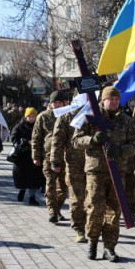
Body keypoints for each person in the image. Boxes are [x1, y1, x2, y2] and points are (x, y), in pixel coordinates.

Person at [72, 86, 135, 262]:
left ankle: (109, 247)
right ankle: (92, 243)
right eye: (111, 99)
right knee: (95, 208)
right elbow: (76, 141)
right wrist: (92, 140)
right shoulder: (89, 117)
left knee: (114, 211)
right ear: (103, 100)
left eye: (116, 99)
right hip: (96, 170)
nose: (114, 102)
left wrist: (120, 150)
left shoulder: (126, 121)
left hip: (118, 171)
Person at [51, 100, 88, 243]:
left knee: (93, 198)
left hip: (95, 163)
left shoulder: (97, 114)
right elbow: (57, 140)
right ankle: (79, 228)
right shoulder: (66, 117)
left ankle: (92, 226)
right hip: (74, 164)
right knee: (77, 197)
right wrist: (55, 161)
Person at [32, 91, 68, 224]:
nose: (57, 105)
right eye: (54, 102)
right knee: (50, 184)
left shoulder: (68, 115)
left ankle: (57, 209)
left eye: (59, 102)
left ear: (64, 103)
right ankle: (52, 211)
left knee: (63, 187)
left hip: (65, 156)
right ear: (50, 103)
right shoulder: (43, 116)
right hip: (48, 155)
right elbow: (36, 137)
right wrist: (36, 156)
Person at [10, 108, 44, 205]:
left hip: (35, 155)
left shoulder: (39, 126)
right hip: (22, 156)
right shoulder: (19, 127)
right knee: (23, 177)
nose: (31, 118)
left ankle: (32, 198)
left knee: (34, 178)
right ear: (26, 117)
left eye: (33, 116)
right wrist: (26, 141)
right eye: (29, 116)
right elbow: (14, 138)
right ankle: (22, 190)